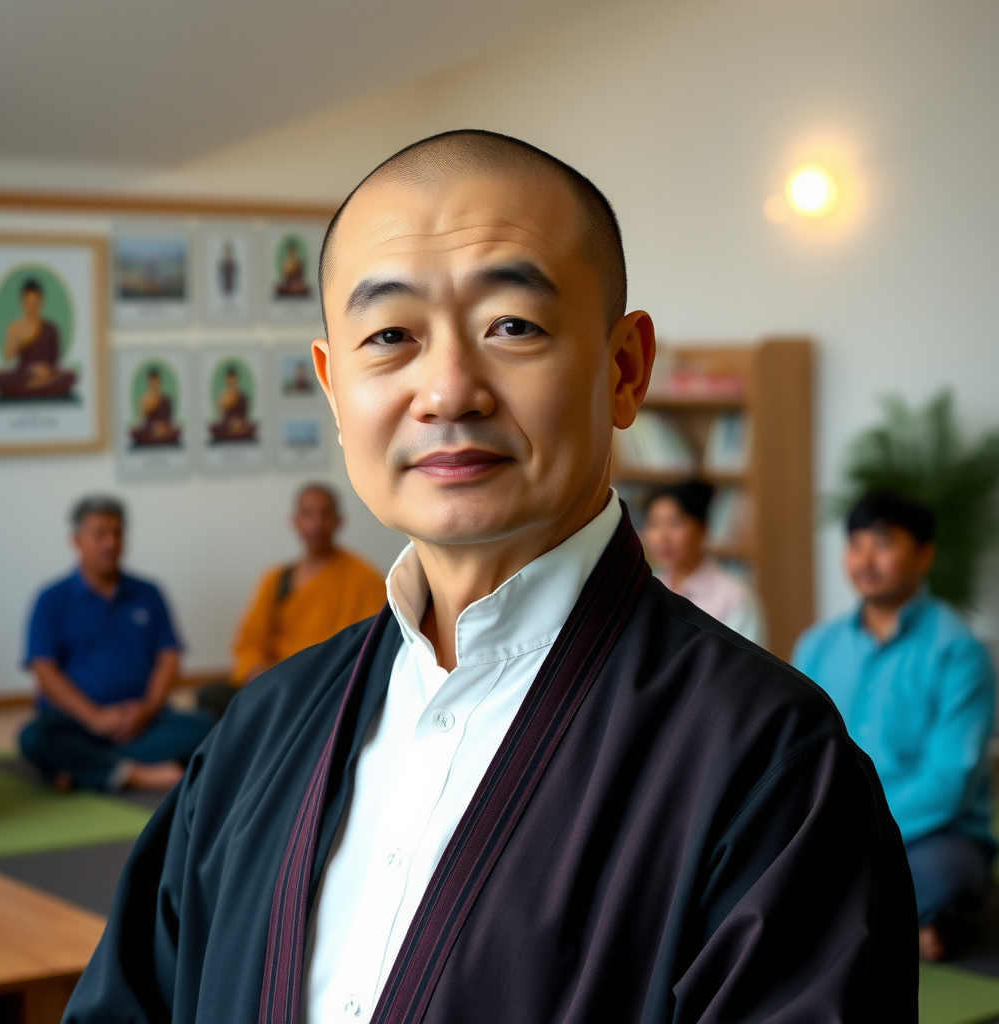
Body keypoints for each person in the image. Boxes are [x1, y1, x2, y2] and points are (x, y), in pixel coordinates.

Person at [66, 131, 915, 1024]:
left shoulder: (769, 763)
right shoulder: (262, 727)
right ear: (333, 387)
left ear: (625, 369)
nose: (447, 392)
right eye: (389, 336)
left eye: (512, 325)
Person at [794, 490, 996, 962]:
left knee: (942, 874)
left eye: (883, 544)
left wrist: (854, 832)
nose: (865, 560)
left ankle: (851, 922)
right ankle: (899, 926)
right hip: (830, 820)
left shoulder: (959, 652)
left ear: (924, 554)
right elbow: (797, 750)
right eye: (856, 544)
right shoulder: (817, 645)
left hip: (930, 832)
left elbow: (949, 781)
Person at [20, 496, 212, 793]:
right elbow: (44, 671)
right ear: (76, 541)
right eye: (100, 534)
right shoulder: (51, 598)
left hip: (141, 722)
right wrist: (94, 718)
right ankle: (135, 774)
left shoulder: (148, 592)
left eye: (117, 533)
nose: (110, 543)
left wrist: (147, 709)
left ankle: (84, 768)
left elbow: (169, 658)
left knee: (207, 728)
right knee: (34, 738)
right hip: (76, 721)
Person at [199, 485, 385, 719]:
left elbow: (373, 643)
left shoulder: (364, 578)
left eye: (325, 514)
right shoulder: (276, 580)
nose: (316, 524)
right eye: (308, 514)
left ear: (339, 521)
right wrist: (263, 678)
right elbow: (249, 643)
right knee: (210, 697)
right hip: (276, 682)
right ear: (295, 521)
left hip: (329, 686)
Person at [641, 479, 766, 645]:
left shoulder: (734, 596)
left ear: (702, 530)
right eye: (654, 524)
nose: (662, 537)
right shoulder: (647, 589)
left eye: (674, 523)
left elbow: (748, 659)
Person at [0, 277, 77, 401]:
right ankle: (38, 386)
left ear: (41, 302)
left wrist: (44, 370)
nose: (31, 306)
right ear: (22, 302)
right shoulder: (15, 327)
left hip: (46, 374)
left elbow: (54, 359)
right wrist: (20, 341)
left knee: (71, 376)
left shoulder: (51, 328)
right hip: (23, 374)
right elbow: (8, 356)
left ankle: (29, 388)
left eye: (35, 302)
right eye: (28, 302)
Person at [130, 366, 180, 447]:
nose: (154, 383)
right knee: (135, 431)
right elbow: (142, 419)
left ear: (159, 381)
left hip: (164, 430)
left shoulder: (166, 399)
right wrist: (150, 407)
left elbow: (169, 420)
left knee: (176, 430)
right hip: (149, 431)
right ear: (148, 381)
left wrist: (163, 427)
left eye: (156, 381)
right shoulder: (145, 399)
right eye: (152, 381)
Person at [209, 364, 257, 442]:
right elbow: (221, 415)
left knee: (252, 426)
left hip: (241, 425)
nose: (231, 382)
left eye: (233, 379)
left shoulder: (243, 396)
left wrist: (238, 422)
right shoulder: (223, 396)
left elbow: (244, 415)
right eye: (229, 380)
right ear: (226, 380)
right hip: (227, 426)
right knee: (213, 426)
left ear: (237, 379)